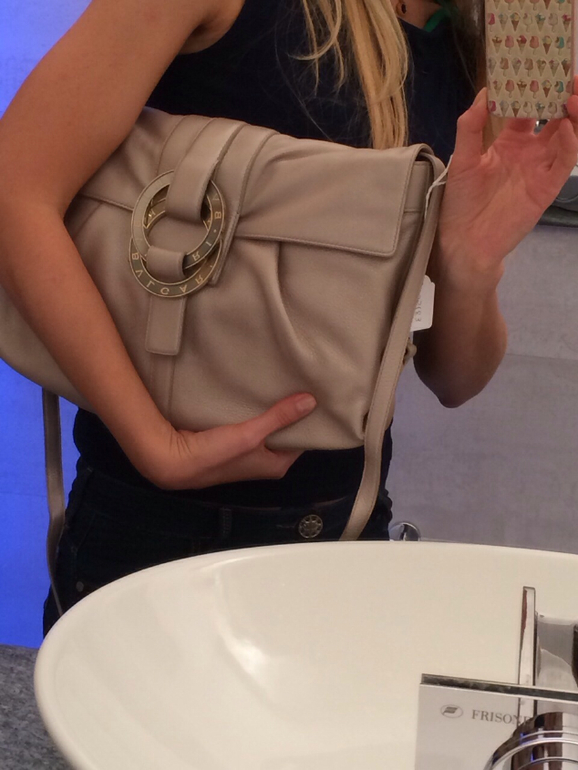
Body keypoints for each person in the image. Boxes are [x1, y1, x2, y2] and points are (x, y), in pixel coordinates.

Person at [0, 0, 576, 636]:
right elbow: (15, 190)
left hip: (346, 529)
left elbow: (455, 379)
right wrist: (154, 444)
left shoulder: (468, 52)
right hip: (154, 528)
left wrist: (469, 269)